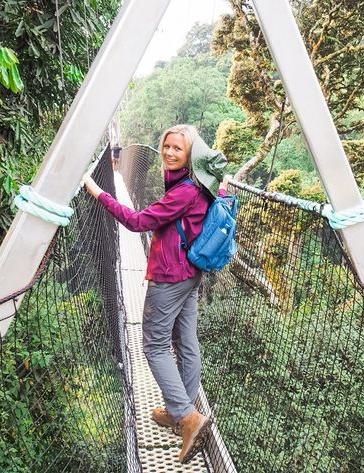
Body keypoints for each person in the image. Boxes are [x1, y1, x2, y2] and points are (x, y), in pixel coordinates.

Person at [83, 124, 228, 464]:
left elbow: (136, 222)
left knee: (156, 344)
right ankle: (183, 413)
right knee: (187, 341)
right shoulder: (201, 184)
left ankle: (188, 417)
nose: (169, 152)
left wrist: (97, 192)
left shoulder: (185, 191)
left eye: (178, 148)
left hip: (170, 274)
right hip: (191, 272)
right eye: (166, 146)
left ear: (191, 154)